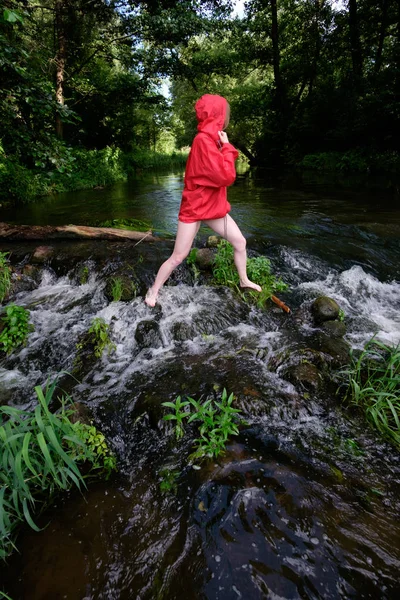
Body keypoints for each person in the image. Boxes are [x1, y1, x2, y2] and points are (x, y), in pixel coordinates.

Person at [145, 93, 261, 307]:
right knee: (179, 256)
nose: (226, 117)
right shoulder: (203, 141)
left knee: (240, 242)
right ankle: (153, 291)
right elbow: (225, 177)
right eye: (223, 113)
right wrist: (227, 148)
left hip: (213, 208)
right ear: (216, 116)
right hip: (195, 208)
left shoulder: (212, 140)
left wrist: (223, 145)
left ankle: (244, 280)